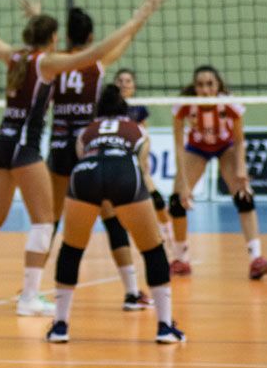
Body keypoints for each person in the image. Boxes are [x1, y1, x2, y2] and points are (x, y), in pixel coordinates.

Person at [0, 0, 160, 317]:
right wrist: (135, 21)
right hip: (26, 149)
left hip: (2, 143)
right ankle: (29, 297)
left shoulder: (15, 58)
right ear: (54, 39)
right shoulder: (50, 63)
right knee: (44, 223)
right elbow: (94, 54)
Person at [46, 84, 184, 344]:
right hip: (124, 171)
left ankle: (60, 326)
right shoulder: (138, 130)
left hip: (86, 171)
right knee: (152, 249)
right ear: (125, 109)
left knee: (71, 249)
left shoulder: (87, 131)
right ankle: (165, 326)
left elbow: (82, 156)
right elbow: (142, 169)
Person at [45, 6, 154, 310]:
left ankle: (29, 289)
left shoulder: (54, 64)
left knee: (50, 221)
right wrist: (139, 19)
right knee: (110, 219)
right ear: (91, 36)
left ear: (66, 36)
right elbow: (122, 43)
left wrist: (36, 18)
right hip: (90, 148)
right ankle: (132, 291)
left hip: (58, 147)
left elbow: (41, 49)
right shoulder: (96, 63)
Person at [168, 66, 267, 280]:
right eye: (200, 84)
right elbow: (178, 144)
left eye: (210, 84)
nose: (205, 89)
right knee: (176, 201)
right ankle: (181, 259)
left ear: (218, 85)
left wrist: (240, 167)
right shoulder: (185, 104)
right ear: (195, 87)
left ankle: (256, 259)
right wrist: (182, 180)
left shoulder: (228, 102)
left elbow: (238, 139)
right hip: (196, 149)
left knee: (244, 195)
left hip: (225, 147)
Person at [116, 67, 174, 248]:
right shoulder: (109, 106)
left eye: (128, 81)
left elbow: (145, 133)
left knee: (155, 198)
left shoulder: (138, 107)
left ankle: (167, 230)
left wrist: (145, 156)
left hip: (135, 156)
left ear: (133, 86)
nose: (124, 84)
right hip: (116, 158)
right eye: (120, 81)